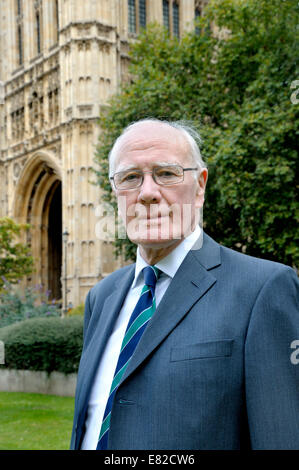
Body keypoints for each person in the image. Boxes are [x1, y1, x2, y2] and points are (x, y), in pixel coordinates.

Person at [70, 118, 299, 450]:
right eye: (131, 177)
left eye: (166, 173)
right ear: (114, 191)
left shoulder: (263, 289)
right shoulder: (101, 297)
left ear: (200, 185)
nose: (147, 193)